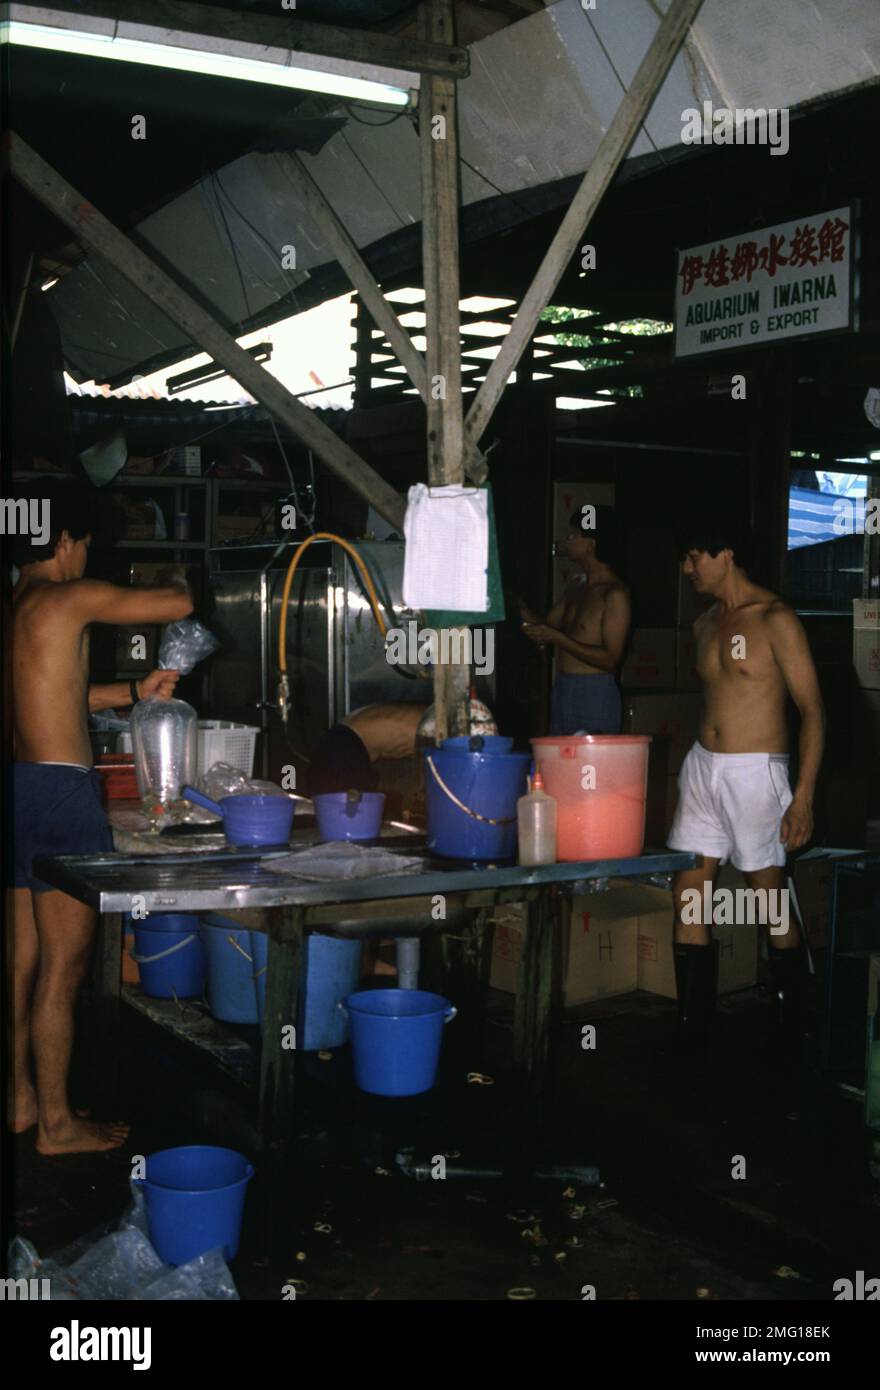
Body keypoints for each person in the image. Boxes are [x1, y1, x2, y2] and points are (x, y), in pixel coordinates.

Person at [10, 482, 194, 1152]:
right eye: (87, 543)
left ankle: (22, 1099)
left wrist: (135, 692)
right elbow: (178, 603)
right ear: (64, 541)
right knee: (66, 967)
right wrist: (179, 571)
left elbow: (57, 691)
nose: (88, 557)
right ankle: (59, 1125)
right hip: (61, 796)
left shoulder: (19, 605)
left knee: (21, 960)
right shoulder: (68, 594)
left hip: (18, 787)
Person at [665, 520, 825, 1060]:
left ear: (725, 553)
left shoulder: (776, 619)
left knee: (770, 901)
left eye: (693, 557)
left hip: (757, 771)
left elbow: (813, 712)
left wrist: (802, 796)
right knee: (690, 894)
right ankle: (691, 1032)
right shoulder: (705, 623)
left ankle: (788, 1030)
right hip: (703, 767)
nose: (687, 569)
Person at [519, 506, 630, 734]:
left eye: (573, 535)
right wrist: (513, 604)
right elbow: (546, 626)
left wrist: (558, 639)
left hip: (594, 693)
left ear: (591, 544)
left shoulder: (614, 594)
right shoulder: (576, 586)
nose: (566, 541)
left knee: (592, 767)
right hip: (563, 688)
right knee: (560, 764)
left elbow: (610, 659)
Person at [308, 702, 427, 797]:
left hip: (338, 738)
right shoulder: (436, 727)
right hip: (345, 748)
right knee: (346, 817)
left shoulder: (429, 716)